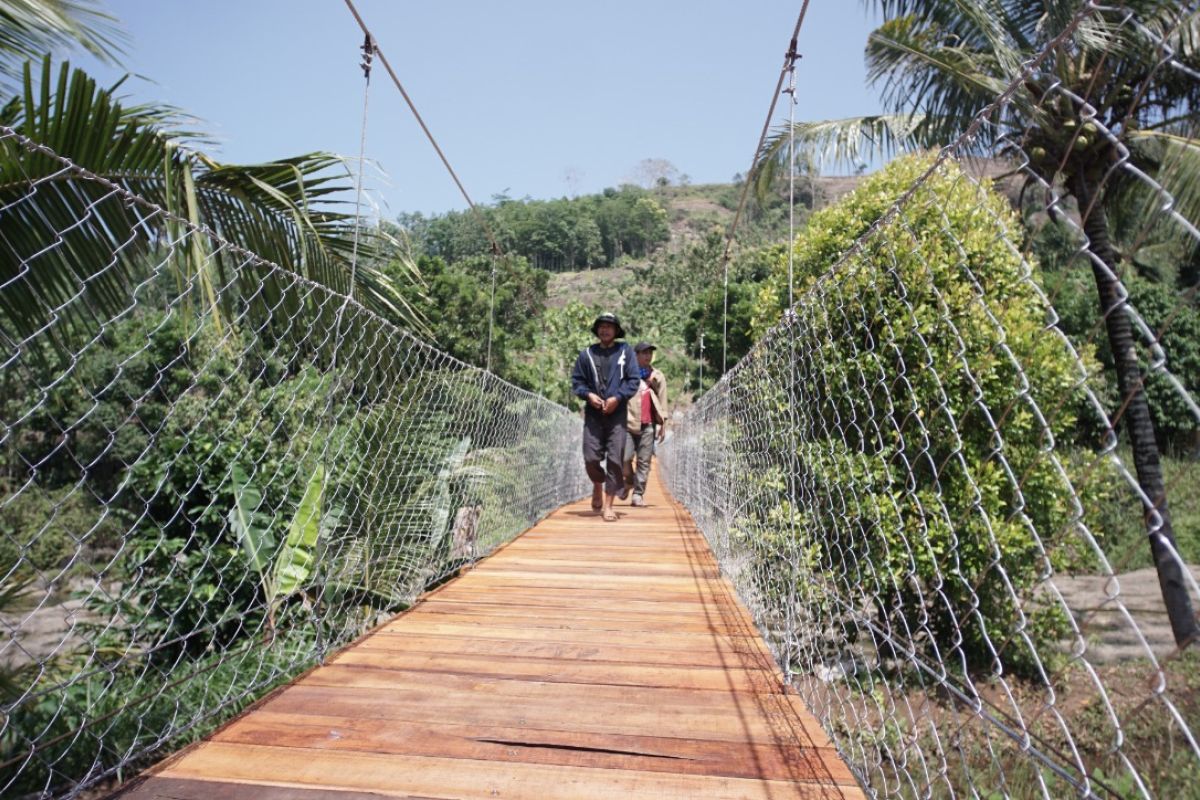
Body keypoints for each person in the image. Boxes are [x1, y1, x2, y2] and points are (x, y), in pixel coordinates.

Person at [570, 313, 640, 521]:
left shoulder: (626, 352)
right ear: (597, 330)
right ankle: (597, 484)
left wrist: (618, 398)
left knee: (615, 459)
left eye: (609, 327)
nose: (605, 330)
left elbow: (633, 380)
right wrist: (588, 395)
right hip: (593, 414)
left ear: (616, 331)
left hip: (617, 414)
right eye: (601, 326)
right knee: (590, 457)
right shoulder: (587, 355)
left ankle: (609, 505)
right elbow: (577, 382)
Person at [623, 342, 668, 507]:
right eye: (643, 353)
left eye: (649, 353)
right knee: (624, 457)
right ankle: (628, 479)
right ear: (635, 355)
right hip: (627, 423)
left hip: (648, 424)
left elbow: (663, 400)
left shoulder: (657, 376)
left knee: (644, 461)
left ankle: (637, 494)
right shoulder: (625, 374)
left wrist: (663, 424)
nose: (647, 356)